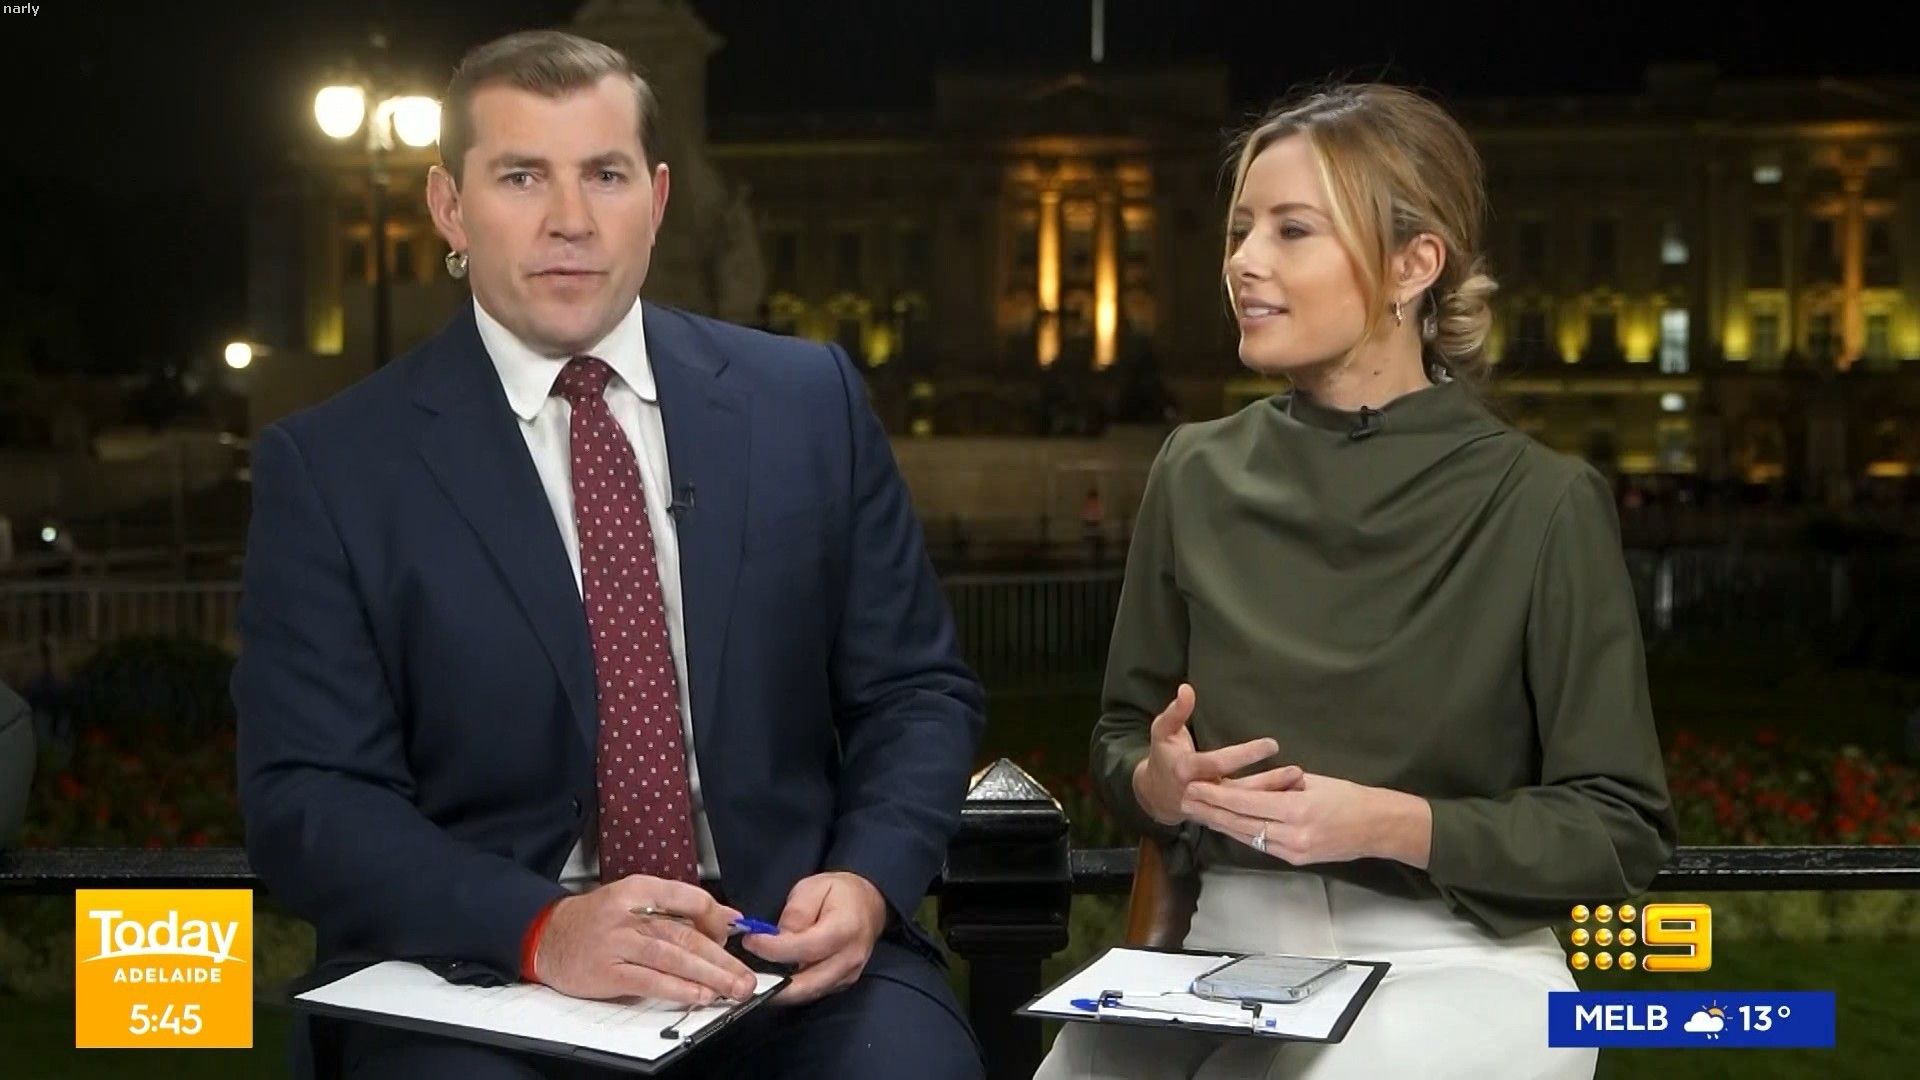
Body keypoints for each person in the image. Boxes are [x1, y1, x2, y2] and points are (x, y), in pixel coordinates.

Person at [233, 30, 985, 1080]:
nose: (571, 220)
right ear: (449, 207)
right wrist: (543, 929)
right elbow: (310, 795)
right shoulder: (334, 467)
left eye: (605, 175)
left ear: (658, 198)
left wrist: (865, 880)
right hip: (483, 975)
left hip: (780, 959)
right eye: (522, 176)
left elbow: (916, 693)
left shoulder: (807, 403)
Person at [1035, 84, 1675, 1080]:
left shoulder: (1543, 502)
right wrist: (1159, 781)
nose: (1243, 261)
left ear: (1414, 265)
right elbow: (1122, 738)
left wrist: (1392, 824)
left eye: (1292, 230)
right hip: (1222, 962)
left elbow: (1620, 830)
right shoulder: (1193, 471)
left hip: (1457, 960)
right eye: (1240, 230)